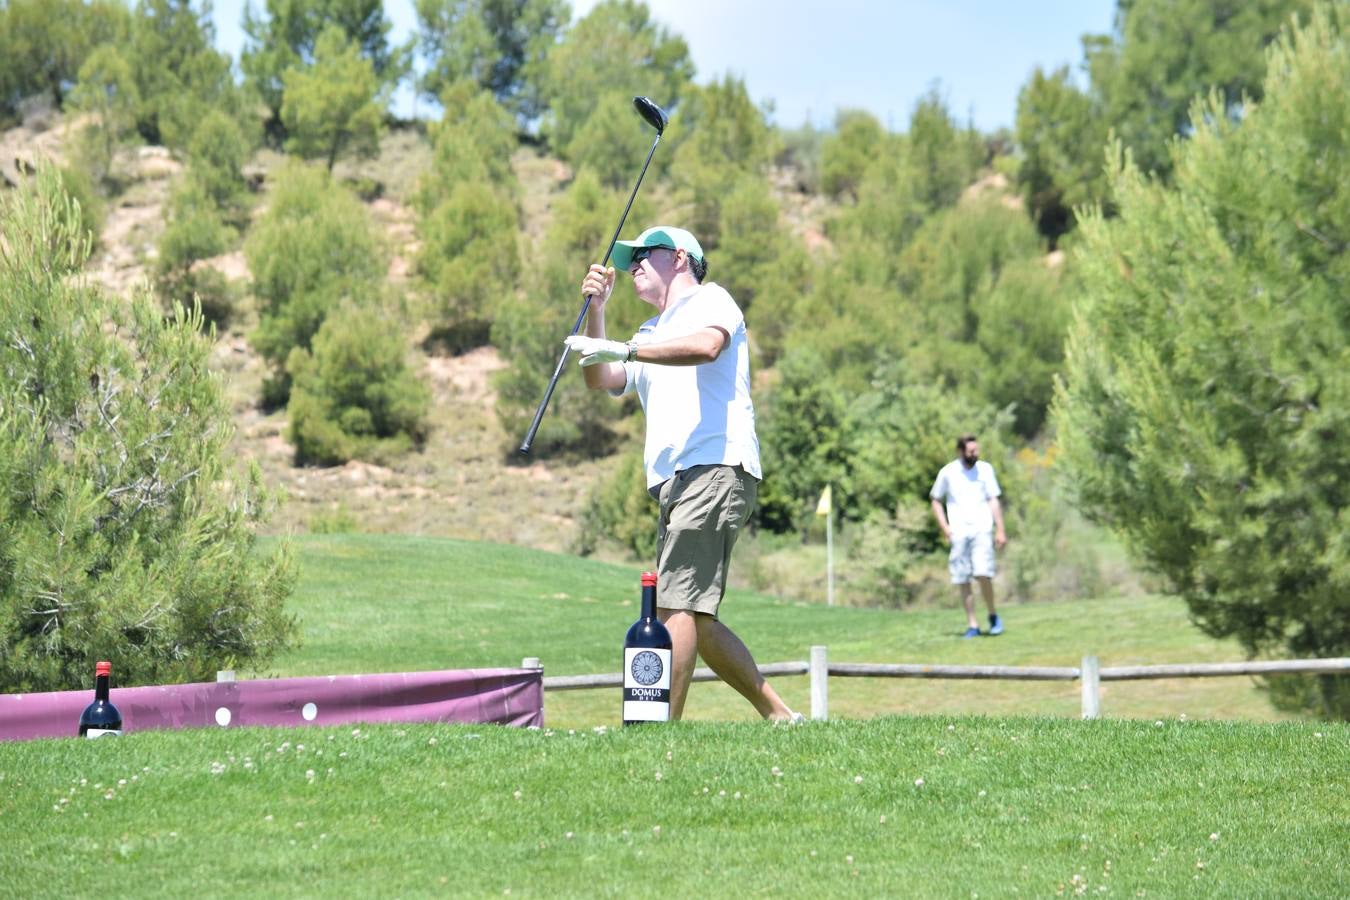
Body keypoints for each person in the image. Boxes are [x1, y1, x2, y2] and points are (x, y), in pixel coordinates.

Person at [564, 225, 800, 723]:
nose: (632, 268)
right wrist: (599, 313)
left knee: (675, 605)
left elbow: (707, 348)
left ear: (679, 257)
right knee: (697, 616)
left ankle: (657, 729)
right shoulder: (647, 333)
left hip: (714, 465)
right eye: (628, 262)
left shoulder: (713, 301)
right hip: (676, 481)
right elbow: (599, 378)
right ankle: (780, 715)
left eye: (643, 257)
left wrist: (625, 351)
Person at [930, 434, 1008, 638]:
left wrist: (1000, 529)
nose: (975, 454)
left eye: (977, 450)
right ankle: (972, 624)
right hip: (959, 532)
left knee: (983, 573)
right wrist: (945, 527)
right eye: (971, 451)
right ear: (961, 451)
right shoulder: (948, 472)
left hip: (982, 529)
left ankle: (992, 614)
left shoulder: (985, 470)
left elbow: (993, 500)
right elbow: (935, 500)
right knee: (962, 578)